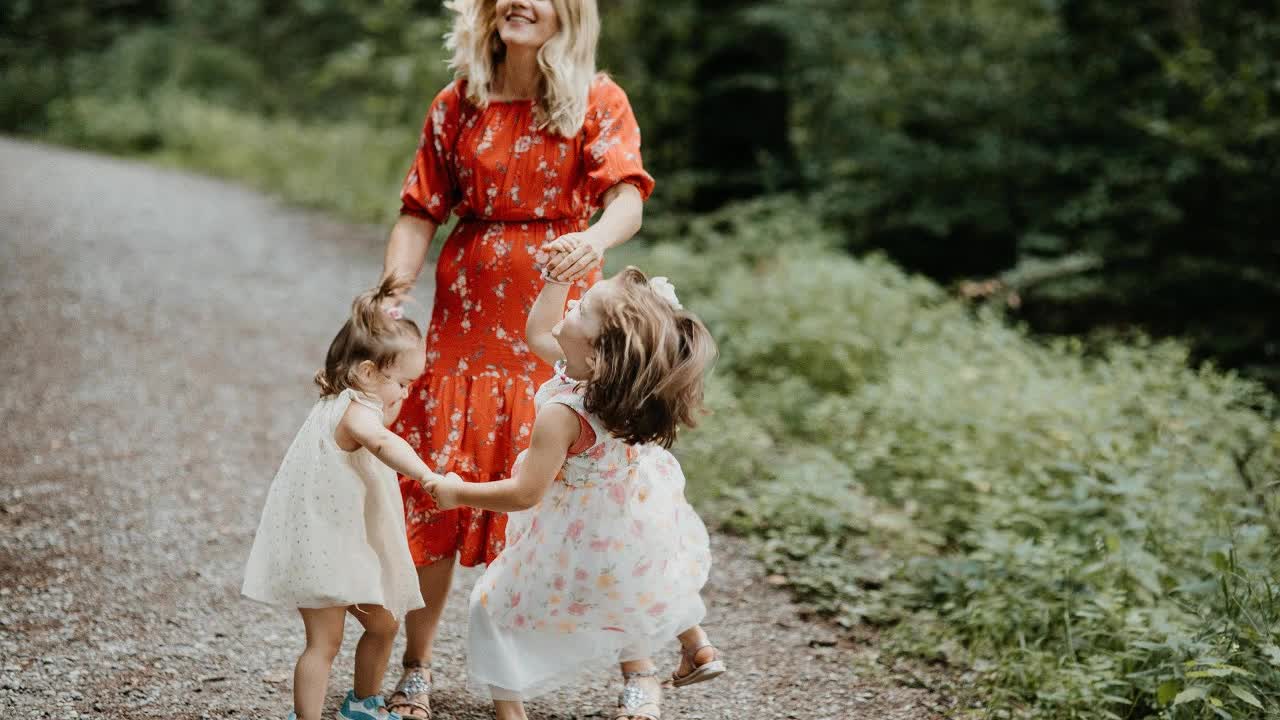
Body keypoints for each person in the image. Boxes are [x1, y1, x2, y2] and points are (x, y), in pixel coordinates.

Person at [378, 1, 654, 716]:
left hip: (560, 316)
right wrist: (393, 290)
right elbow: (419, 209)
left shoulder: (597, 96)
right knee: (442, 472)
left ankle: (640, 668)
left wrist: (594, 241)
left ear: (568, 12)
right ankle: (417, 665)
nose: (519, 1)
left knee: (588, 483)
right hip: (465, 317)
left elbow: (627, 196)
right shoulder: (458, 103)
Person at [425, 267, 726, 720]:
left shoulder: (565, 413)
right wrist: (555, 278)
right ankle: (696, 645)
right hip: (629, 520)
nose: (570, 305)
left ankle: (510, 712)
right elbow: (539, 332)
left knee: (491, 606)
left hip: (576, 531)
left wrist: (458, 491)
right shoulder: (635, 389)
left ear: (600, 353)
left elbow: (526, 494)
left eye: (582, 309)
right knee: (645, 582)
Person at [242, 277, 455, 720]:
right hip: (324, 548)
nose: (406, 393)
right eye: (402, 382)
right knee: (325, 642)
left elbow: (384, 418)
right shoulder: (357, 413)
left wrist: (394, 392)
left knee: (385, 622)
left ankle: (364, 704)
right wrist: (426, 474)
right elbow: (384, 443)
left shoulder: (349, 399)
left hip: (345, 545)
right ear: (367, 373)